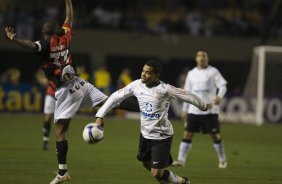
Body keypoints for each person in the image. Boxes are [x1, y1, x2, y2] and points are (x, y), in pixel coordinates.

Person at [5, 1, 108, 183]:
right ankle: (142, 106)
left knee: (60, 131)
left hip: (63, 90)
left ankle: (63, 173)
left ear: (45, 33)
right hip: (77, 83)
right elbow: (69, 18)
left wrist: (14, 39)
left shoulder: (45, 45)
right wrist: (68, 1)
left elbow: (30, 45)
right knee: (108, 102)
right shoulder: (65, 37)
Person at [94, 60, 212, 184]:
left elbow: (187, 95)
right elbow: (114, 97)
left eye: (148, 73)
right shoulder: (136, 85)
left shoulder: (165, 89)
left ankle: (181, 181)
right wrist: (100, 115)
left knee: (156, 173)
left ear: (156, 75)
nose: (143, 74)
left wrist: (203, 105)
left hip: (161, 136)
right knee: (146, 164)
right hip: (145, 134)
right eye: (143, 71)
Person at [172, 50, 228, 169]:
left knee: (215, 135)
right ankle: (181, 160)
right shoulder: (191, 73)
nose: (201, 57)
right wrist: (184, 110)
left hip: (210, 110)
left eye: (204, 55)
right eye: (199, 55)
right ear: (196, 59)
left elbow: (223, 85)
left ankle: (222, 160)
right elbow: (186, 93)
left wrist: (219, 96)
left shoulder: (213, 72)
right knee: (187, 134)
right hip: (193, 110)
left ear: (207, 59)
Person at [34, 68, 56, 151]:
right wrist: (40, 76)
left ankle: (60, 142)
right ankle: (45, 140)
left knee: (60, 120)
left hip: (61, 96)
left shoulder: (62, 69)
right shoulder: (50, 70)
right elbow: (44, 82)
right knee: (48, 118)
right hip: (50, 95)